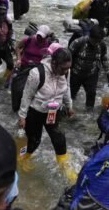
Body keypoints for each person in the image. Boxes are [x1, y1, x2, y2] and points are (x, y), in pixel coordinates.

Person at [17, 48, 76, 182]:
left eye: (68, 68)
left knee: (59, 138)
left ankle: (64, 166)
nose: (65, 72)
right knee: (33, 141)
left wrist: (69, 106)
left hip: (54, 111)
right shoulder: (37, 73)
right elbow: (27, 95)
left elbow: (67, 89)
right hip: (35, 112)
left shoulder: (66, 73)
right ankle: (22, 159)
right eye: (63, 68)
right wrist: (22, 116)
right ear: (54, 63)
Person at [68, 25, 109, 110]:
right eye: (95, 41)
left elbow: (104, 59)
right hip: (75, 73)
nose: (97, 43)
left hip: (91, 74)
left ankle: (88, 115)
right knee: (71, 95)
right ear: (90, 36)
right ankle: (70, 110)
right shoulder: (78, 42)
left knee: (91, 94)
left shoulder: (102, 45)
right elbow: (67, 58)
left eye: (99, 41)